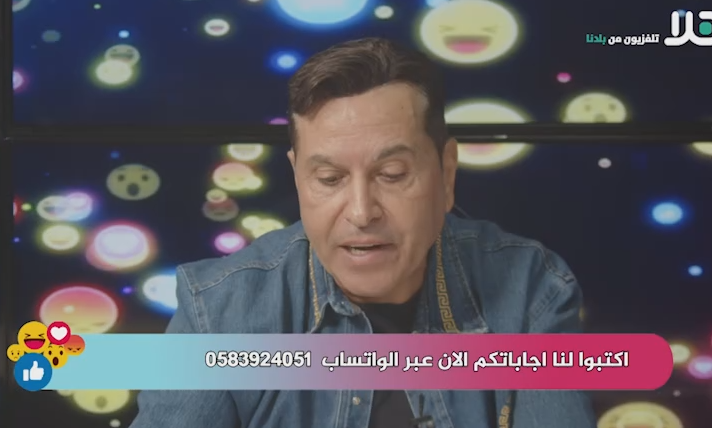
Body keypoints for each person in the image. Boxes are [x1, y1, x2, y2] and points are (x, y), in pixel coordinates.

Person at [130, 37, 595, 428]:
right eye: (329, 178)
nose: (360, 212)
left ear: (446, 174)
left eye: (392, 174)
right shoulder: (218, 311)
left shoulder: (532, 289)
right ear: (298, 179)